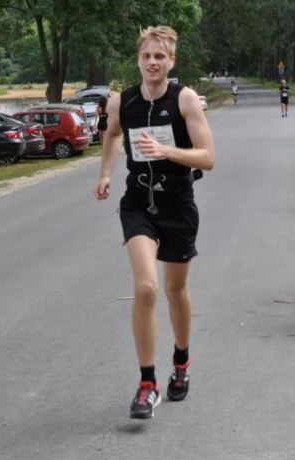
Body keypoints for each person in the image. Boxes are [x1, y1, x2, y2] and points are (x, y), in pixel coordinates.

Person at [93, 25, 216, 419]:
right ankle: (147, 384)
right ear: (139, 59)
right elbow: (112, 135)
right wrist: (106, 173)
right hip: (137, 203)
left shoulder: (186, 100)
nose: (152, 63)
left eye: (159, 57)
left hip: (178, 203)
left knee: (175, 290)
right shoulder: (121, 101)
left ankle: (181, 361)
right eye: (147, 56)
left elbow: (207, 157)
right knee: (146, 288)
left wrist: (165, 150)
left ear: (171, 61)